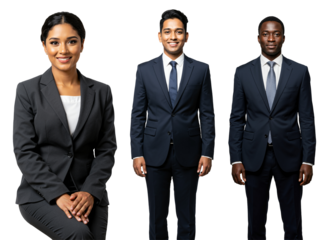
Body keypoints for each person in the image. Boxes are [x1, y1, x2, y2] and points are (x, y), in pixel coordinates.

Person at [13, 10, 117, 240]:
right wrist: (58, 194)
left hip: (89, 192)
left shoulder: (102, 91)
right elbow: (24, 152)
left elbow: (106, 149)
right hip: (41, 193)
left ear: (82, 45)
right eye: (54, 42)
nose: (63, 50)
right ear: (44, 47)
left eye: (71, 41)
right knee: (78, 234)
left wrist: (90, 191)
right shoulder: (27, 89)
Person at [130, 7, 215, 240]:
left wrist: (208, 153)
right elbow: (138, 114)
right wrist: (136, 153)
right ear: (159, 36)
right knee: (156, 219)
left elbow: (207, 114)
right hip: (153, 153)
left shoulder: (202, 69)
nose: (173, 37)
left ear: (187, 36)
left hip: (189, 153)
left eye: (179, 32)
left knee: (187, 219)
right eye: (167, 32)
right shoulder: (144, 69)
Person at [228, 14, 316, 239]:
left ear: (284, 38)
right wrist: (235, 159)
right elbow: (236, 118)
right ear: (257, 39)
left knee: (293, 226)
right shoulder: (242, 72)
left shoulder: (300, 71)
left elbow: (307, 118)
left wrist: (308, 160)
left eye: (276, 34)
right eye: (265, 34)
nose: (271, 38)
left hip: (290, 157)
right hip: (252, 158)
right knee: (255, 226)